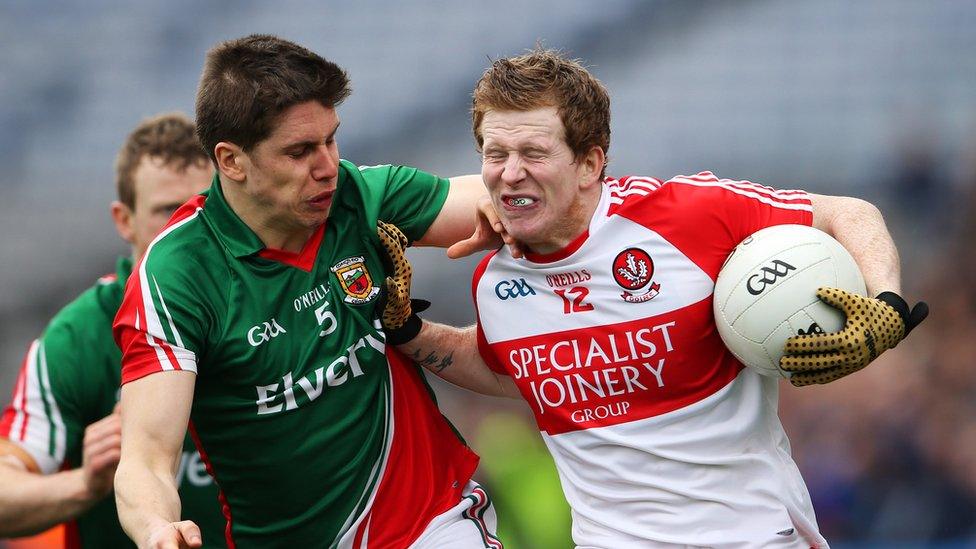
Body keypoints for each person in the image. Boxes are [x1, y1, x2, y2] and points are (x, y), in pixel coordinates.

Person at [389, 48, 929, 548]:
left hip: (753, 537)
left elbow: (849, 213)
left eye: (533, 152)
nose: (509, 173)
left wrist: (886, 305)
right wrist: (411, 331)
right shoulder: (492, 280)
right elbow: (509, 373)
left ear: (590, 164)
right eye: (495, 153)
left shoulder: (687, 215)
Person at [112, 34, 502, 549]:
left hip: (428, 525)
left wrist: (517, 201)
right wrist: (157, 529)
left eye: (331, 140)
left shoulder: (355, 195)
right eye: (299, 151)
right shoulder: (177, 276)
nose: (326, 165)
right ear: (231, 161)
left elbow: (475, 197)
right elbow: (145, 459)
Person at [0, 113, 225, 547]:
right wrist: (85, 484)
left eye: (202, 205)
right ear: (124, 220)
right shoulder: (78, 337)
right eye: (167, 210)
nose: (188, 226)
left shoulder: (269, 298)